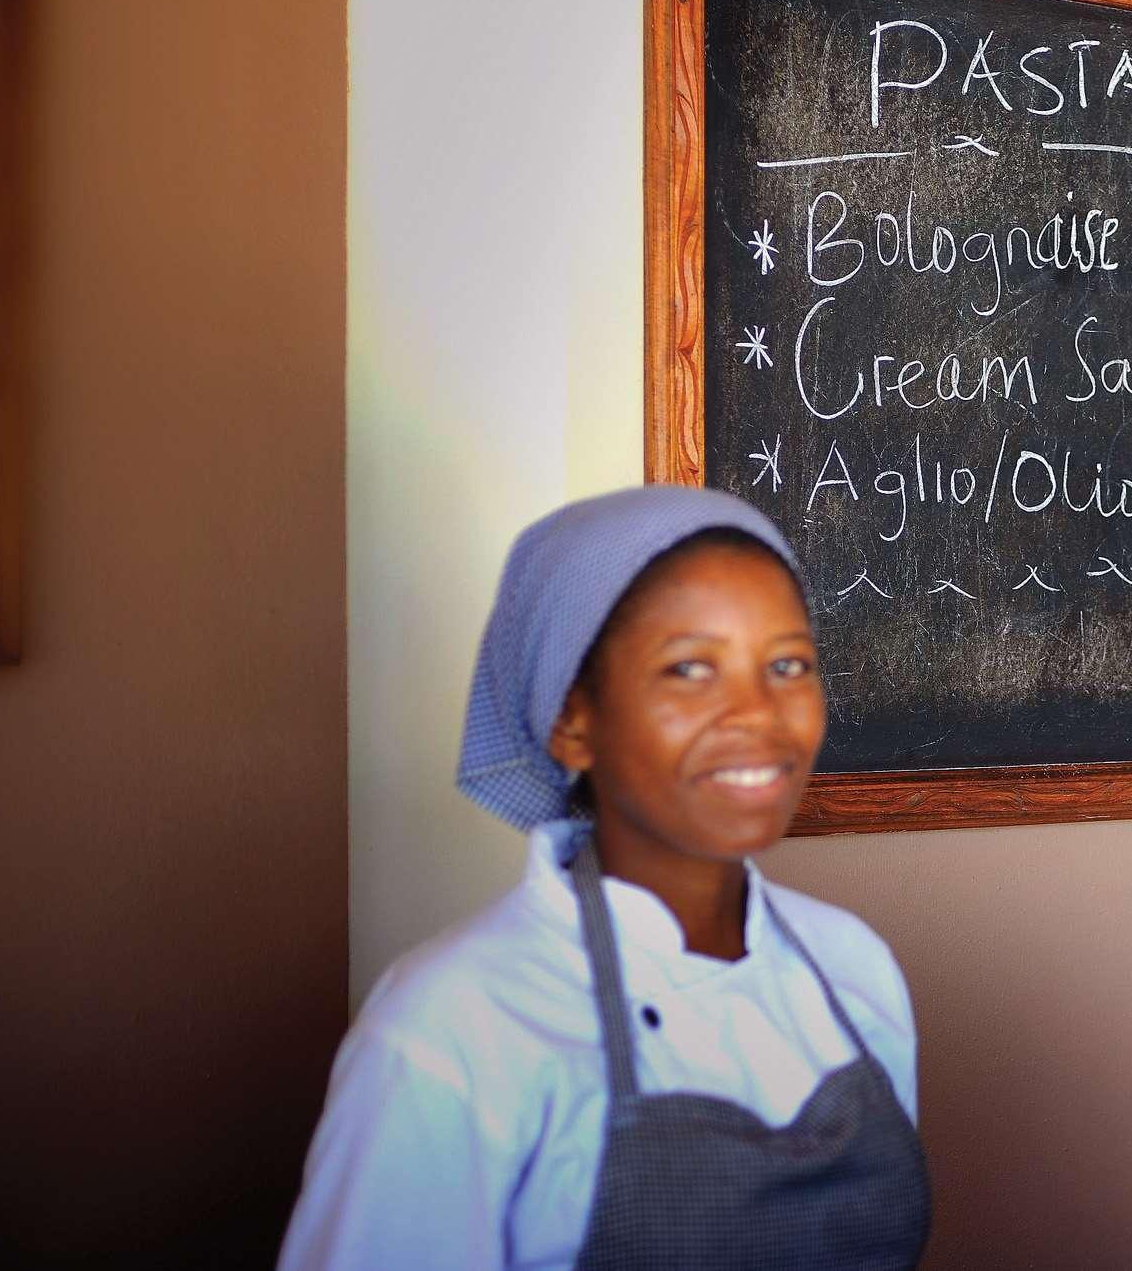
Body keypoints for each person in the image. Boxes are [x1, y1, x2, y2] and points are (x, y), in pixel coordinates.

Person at [279, 486, 931, 1270]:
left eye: (788, 664)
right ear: (572, 722)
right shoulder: (450, 1030)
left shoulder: (852, 966)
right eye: (690, 669)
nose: (759, 713)